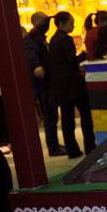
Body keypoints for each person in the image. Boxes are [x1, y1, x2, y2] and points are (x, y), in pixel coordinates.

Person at [48, 12, 96, 158]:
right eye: (71, 23)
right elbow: (71, 61)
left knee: (67, 118)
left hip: (60, 84)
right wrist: (83, 55)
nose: (73, 26)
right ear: (61, 24)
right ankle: (90, 147)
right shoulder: (66, 39)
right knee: (85, 115)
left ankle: (72, 150)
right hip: (74, 83)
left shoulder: (53, 39)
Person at [22, 11, 64, 156]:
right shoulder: (31, 40)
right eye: (44, 21)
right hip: (42, 85)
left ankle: (55, 144)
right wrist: (37, 67)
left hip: (49, 83)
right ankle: (53, 147)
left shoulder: (40, 38)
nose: (47, 24)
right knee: (49, 117)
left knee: (53, 116)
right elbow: (31, 58)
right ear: (36, 22)